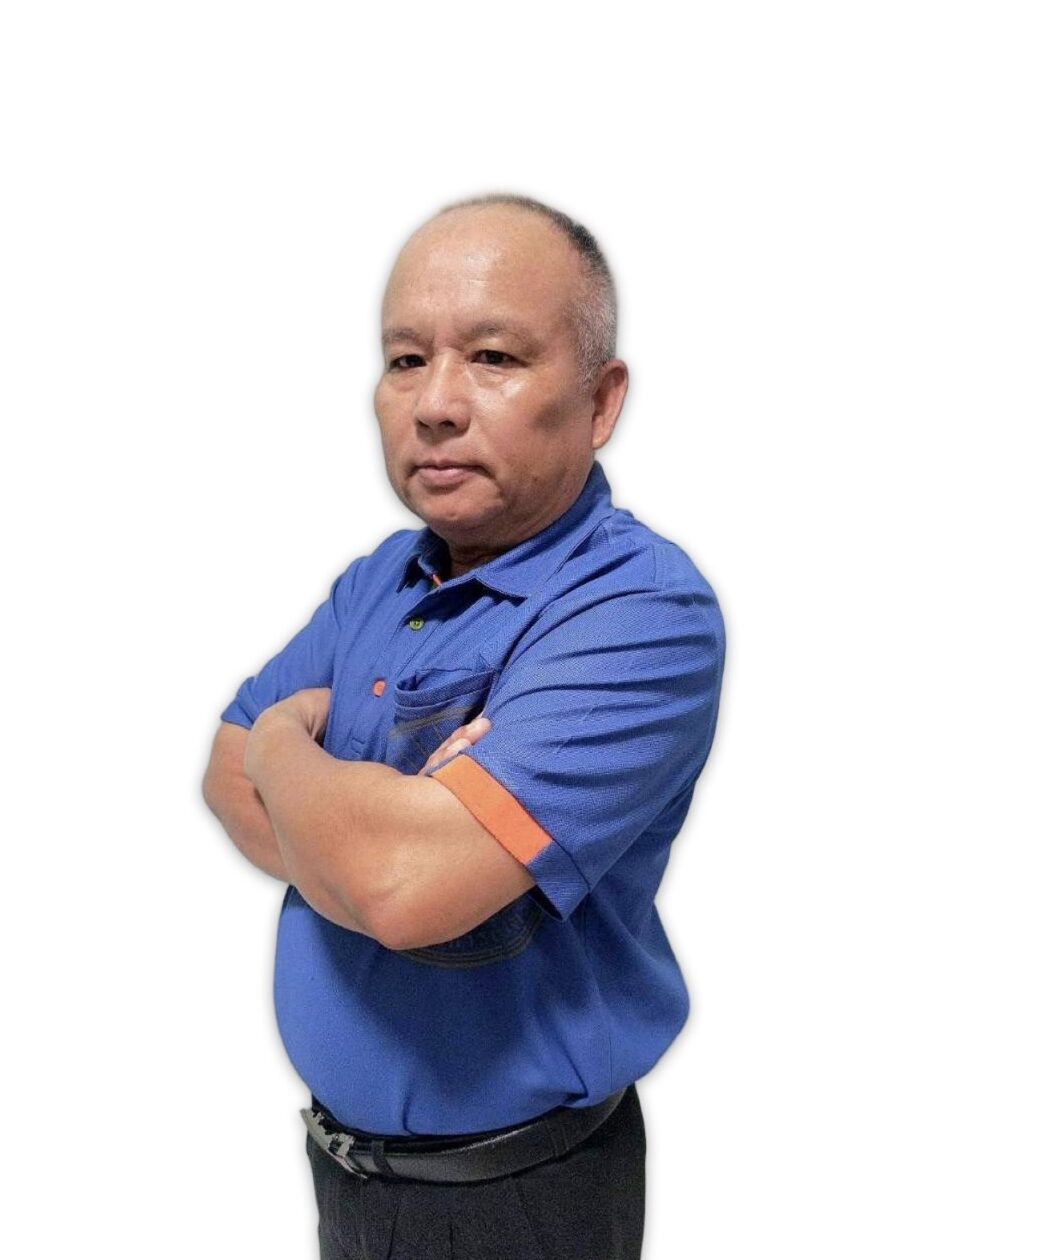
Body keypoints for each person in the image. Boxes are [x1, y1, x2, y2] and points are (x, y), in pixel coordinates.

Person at [202, 192, 726, 1260]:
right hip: (350, 1180)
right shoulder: (378, 583)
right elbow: (224, 776)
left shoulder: (637, 611)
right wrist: (372, 827)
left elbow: (399, 891)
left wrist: (287, 751)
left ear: (599, 400)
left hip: (519, 1196)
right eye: (405, 359)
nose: (436, 403)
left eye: (492, 357)